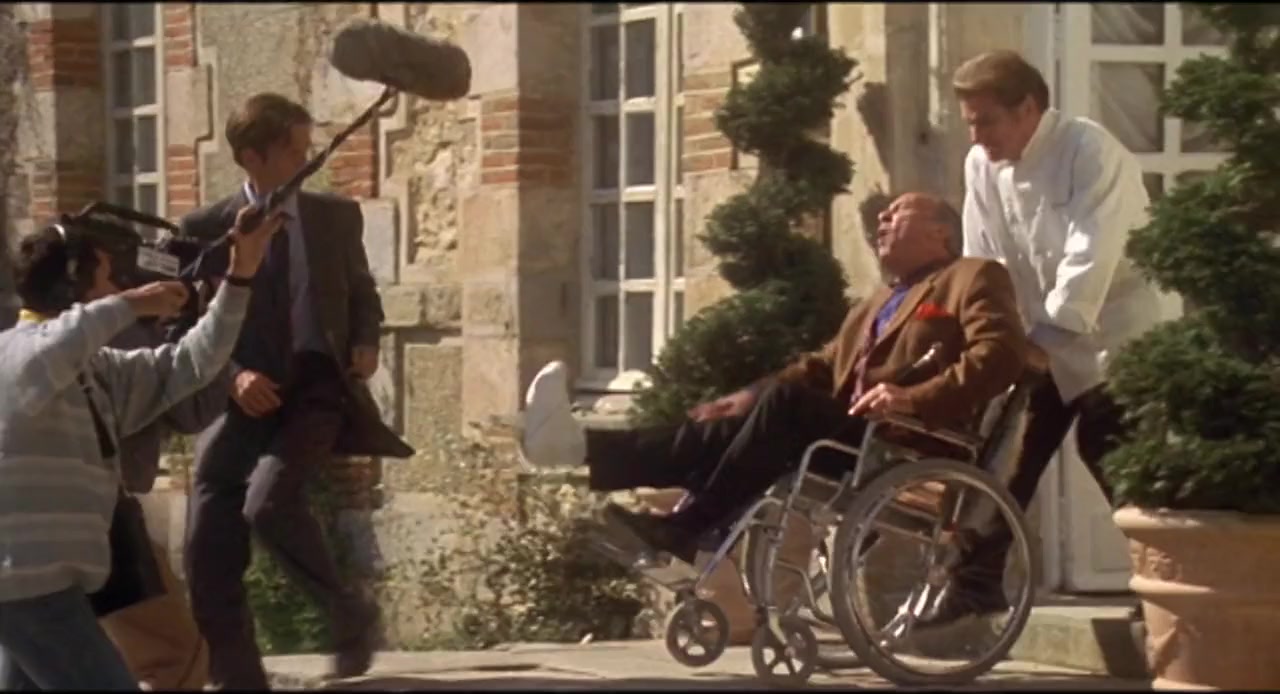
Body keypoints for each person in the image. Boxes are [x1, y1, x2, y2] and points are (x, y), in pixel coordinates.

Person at [520, 192, 1031, 564]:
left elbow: (1001, 355)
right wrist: (748, 395)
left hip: (904, 440)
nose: (882, 218)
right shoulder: (875, 302)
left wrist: (911, 397)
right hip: (851, 437)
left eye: (897, 212)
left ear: (940, 232)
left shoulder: (973, 276)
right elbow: (821, 365)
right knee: (724, 426)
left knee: (787, 404)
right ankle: (578, 448)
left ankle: (690, 525)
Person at [913, 49, 1177, 629]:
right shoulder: (982, 165)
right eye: (970, 123)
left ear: (1028, 108)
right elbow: (984, 259)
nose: (977, 136)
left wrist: (1044, 339)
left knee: (1113, 454)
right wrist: (984, 334)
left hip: (1113, 336)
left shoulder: (1088, 150)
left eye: (986, 121)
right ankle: (975, 584)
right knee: (1003, 454)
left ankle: (1164, 588)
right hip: (1036, 336)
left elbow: (1091, 255)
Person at [180, 92, 412, 690]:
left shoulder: (334, 217)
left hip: (316, 389)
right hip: (242, 395)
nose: (307, 163)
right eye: (293, 152)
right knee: (207, 534)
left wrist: (365, 338)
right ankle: (238, 676)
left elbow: (362, 290)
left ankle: (348, 613)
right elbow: (184, 326)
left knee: (268, 502)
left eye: (309, 149)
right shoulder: (205, 230)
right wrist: (233, 375)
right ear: (252, 158)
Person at [0, 204, 282, 690]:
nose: (117, 288)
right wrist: (131, 305)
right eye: (108, 279)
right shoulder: (14, 353)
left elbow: (192, 363)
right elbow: (49, 351)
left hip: (45, 583)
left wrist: (240, 278)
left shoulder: (98, 371)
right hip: (27, 582)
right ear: (71, 289)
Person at [98, 305, 228, 691]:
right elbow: (192, 412)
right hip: (96, 517)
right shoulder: (109, 330)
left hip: (31, 529)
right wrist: (202, 322)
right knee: (175, 658)